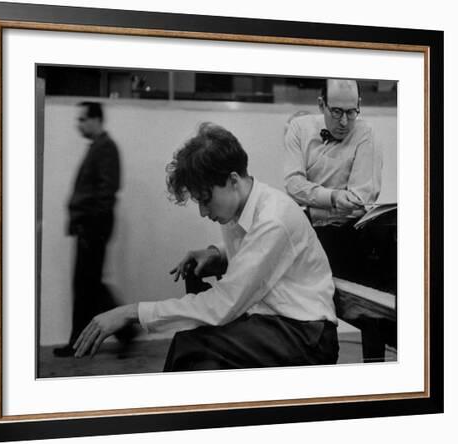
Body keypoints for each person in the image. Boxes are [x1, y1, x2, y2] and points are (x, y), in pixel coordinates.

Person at [72, 123, 339, 371]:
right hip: (273, 319)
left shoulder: (273, 219)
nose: (202, 212)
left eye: (205, 200)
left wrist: (132, 312)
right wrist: (218, 254)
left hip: (306, 335)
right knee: (191, 342)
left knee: (191, 347)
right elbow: (260, 252)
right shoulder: (246, 207)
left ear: (233, 180)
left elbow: (223, 304)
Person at [54, 101, 133, 357]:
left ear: (97, 120)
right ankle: (80, 341)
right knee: (86, 286)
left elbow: (107, 191)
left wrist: (91, 225)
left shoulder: (106, 148)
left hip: (93, 227)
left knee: (90, 285)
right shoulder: (98, 148)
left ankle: (127, 331)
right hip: (87, 227)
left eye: (83, 119)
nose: (80, 124)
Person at [283, 79, 383, 280]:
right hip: (299, 233)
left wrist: (310, 211)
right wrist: (334, 196)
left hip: (342, 240)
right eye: (336, 112)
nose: (344, 122)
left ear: (359, 106)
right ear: (321, 105)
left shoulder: (366, 133)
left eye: (351, 112)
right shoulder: (298, 128)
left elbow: (358, 204)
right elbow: (293, 184)